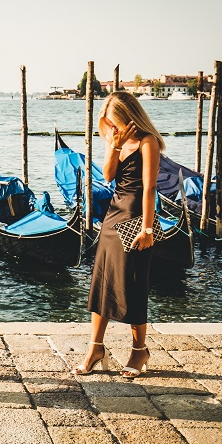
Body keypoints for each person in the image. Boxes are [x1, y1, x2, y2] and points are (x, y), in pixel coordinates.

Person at [75, 91, 164, 379]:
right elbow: (108, 176)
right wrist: (114, 144)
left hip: (137, 218)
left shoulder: (148, 142)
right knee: (101, 283)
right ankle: (95, 348)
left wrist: (147, 228)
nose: (111, 127)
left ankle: (139, 350)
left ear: (129, 117)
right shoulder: (117, 141)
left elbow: (150, 188)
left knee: (133, 286)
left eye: (115, 122)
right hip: (114, 217)